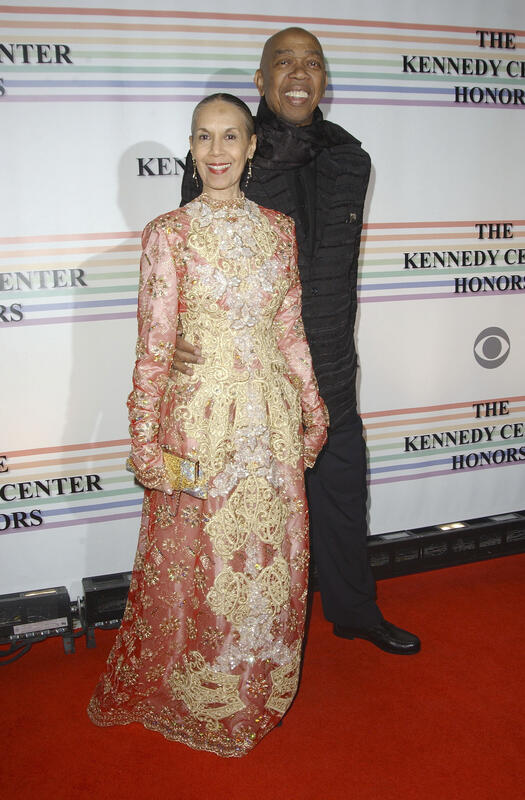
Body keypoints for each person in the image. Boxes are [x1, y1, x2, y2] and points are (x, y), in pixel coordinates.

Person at [88, 93, 328, 757]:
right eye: (204, 138)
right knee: (203, 563)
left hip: (271, 421)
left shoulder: (279, 229)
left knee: (268, 562)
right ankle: (201, 685)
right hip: (200, 424)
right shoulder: (167, 233)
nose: (217, 152)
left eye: (230, 137)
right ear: (190, 149)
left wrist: (313, 406)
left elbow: (289, 329)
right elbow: (154, 346)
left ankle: (258, 683)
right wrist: (143, 443)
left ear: (253, 147)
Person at [178, 28, 420, 655]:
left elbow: (340, 269)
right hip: (253, 376)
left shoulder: (351, 158)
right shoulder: (233, 151)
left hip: (331, 366)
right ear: (261, 82)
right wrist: (181, 336)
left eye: (311, 63)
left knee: (342, 496)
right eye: (282, 62)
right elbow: (192, 255)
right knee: (247, 516)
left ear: (323, 82)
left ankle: (354, 611)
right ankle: (242, 637)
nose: (298, 72)